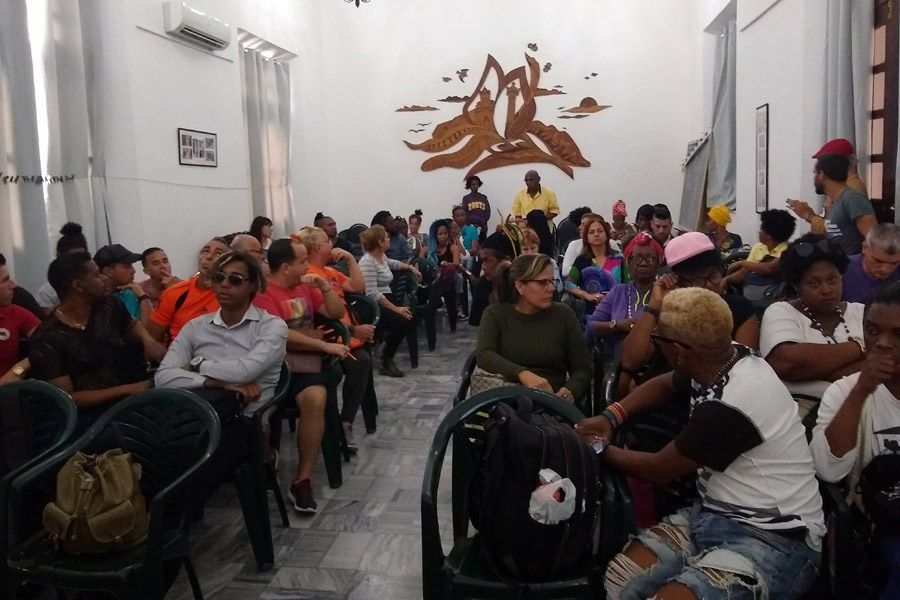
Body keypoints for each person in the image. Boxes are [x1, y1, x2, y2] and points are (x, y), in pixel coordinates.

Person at [577, 287, 823, 600]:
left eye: (659, 339)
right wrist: (612, 417)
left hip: (776, 538)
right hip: (713, 514)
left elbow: (659, 469)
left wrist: (597, 446)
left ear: (678, 350)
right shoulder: (721, 355)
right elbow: (667, 384)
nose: (657, 344)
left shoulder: (733, 403)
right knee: (621, 578)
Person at [154, 251, 287, 516]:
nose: (224, 284)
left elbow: (244, 371)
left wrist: (197, 363)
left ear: (253, 286)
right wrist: (213, 383)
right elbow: (163, 376)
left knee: (200, 455)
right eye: (219, 278)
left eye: (235, 279)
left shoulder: (271, 327)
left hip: (246, 418)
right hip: (196, 411)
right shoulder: (196, 327)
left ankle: (172, 526)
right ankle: (155, 521)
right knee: (154, 446)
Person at [810, 282, 900, 598]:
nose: (883, 344)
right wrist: (862, 389)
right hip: (881, 525)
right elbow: (828, 470)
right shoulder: (845, 391)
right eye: (872, 331)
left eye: (898, 335)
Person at [252, 239, 349, 512]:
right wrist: (325, 345)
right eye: (302, 261)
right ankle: (266, 458)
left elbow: (336, 312)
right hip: (273, 367)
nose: (308, 265)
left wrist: (325, 286)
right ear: (285, 267)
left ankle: (302, 479)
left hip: (305, 366)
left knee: (316, 398)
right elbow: (279, 334)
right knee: (259, 407)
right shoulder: (263, 295)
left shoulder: (305, 286)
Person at [29, 252, 166, 434]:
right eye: (96, 274)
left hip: (132, 398)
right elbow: (69, 398)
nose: (103, 277)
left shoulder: (108, 305)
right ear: (78, 286)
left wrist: (147, 340)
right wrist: (127, 390)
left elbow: (132, 325)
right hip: (88, 419)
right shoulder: (47, 338)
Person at [619, 232, 760, 390]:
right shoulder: (669, 312)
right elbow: (630, 361)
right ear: (679, 282)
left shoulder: (740, 309)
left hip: (720, 394)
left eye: (713, 276)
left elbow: (744, 370)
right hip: (664, 394)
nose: (709, 286)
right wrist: (654, 306)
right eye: (698, 279)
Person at [294, 226, 374, 451]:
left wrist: (349, 259)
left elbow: (358, 286)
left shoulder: (329, 271)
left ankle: (345, 421)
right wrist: (353, 330)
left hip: (344, 335)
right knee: (354, 363)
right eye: (328, 241)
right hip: (327, 335)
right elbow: (321, 313)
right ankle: (329, 423)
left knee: (363, 359)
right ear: (319, 247)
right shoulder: (309, 275)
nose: (333, 244)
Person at [760, 234, 865, 405]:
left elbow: (885, 363)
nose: (826, 289)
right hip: (800, 415)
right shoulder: (781, 311)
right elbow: (787, 364)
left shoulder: (860, 312)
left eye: (832, 280)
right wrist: (861, 347)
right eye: (814, 283)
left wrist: (813, 370)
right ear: (797, 285)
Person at [476, 254, 591, 402]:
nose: (551, 288)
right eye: (542, 282)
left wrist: (570, 390)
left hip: (551, 402)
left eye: (552, 281)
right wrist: (522, 374)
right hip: (505, 400)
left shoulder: (563, 315)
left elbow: (583, 368)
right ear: (520, 286)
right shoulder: (495, 314)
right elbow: (484, 355)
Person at [585, 232, 663, 355]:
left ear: (658, 262)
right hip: (615, 365)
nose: (643, 263)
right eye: (637, 258)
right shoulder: (618, 291)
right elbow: (591, 327)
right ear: (628, 263)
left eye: (649, 258)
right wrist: (616, 324)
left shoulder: (664, 294)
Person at [359, 225, 421, 377]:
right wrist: (396, 308)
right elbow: (372, 293)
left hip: (387, 299)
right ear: (380, 242)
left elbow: (393, 263)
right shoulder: (367, 262)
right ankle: (386, 358)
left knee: (414, 316)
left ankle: (385, 349)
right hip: (373, 306)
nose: (389, 239)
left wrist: (409, 267)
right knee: (402, 319)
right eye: (386, 237)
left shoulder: (381, 257)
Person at [787, 153, 877, 255]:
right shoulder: (835, 201)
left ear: (821, 175)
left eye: (815, 173)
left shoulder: (853, 198)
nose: (813, 178)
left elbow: (875, 239)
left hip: (851, 266)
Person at [146, 237, 230, 342]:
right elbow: (151, 340)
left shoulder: (231, 295)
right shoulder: (175, 293)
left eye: (218, 253)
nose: (209, 256)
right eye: (205, 251)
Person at [722, 209, 797, 300]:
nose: (759, 232)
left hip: (776, 302)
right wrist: (726, 280)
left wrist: (741, 263)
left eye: (761, 229)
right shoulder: (758, 247)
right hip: (751, 300)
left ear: (769, 235)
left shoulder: (788, 250)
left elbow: (769, 269)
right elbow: (743, 273)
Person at [564, 214, 625, 317]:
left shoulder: (619, 258)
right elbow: (568, 284)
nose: (596, 234)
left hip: (617, 311)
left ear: (606, 235)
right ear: (587, 238)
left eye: (600, 231)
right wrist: (587, 295)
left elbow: (627, 284)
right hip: (591, 314)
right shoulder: (582, 260)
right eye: (591, 232)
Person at [469, 226, 521, 326]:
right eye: (482, 261)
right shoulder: (483, 285)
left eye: (487, 261)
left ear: (507, 260)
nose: (483, 267)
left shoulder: (523, 286)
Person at [0, 256, 40, 383]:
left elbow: (50, 343)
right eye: (5, 280)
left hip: (7, 396)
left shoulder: (15, 313)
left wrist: (18, 369)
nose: (13, 285)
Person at [37, 222, 89, 315]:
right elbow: (52, 322)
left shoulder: (94, 284)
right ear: (59, 257)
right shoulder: (47, 293)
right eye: (72, 257)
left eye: (82, 257)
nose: (77, 263)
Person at [842, 223, 900, 304]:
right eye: (878, 261)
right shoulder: (841, 269)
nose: (886, 270)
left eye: (894, 263)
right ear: (864, 248)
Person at [94, 244, 151, 321]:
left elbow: (147, 331)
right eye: (127, 266)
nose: (133, 271)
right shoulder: (91, 300)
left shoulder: (129, 294)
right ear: (108, 271)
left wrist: (142, 296)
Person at [560, 208, 595, 276]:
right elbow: (565, 271)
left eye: (583, 224)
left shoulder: (611, 244)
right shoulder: (574, 245)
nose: (579, 227)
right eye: (580, 224)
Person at [462, 175, 491, 240]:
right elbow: (464, 212)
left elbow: (487, 211)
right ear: (469, 185)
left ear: (479, 185)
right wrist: (472, 223)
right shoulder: (466, 198)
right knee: (472, 243)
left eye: (477, 184)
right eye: (473, 184)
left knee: (482, 243)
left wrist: (482, 221)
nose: (475, 186)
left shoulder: (483, 197)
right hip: (471, 227)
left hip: (483, 226)